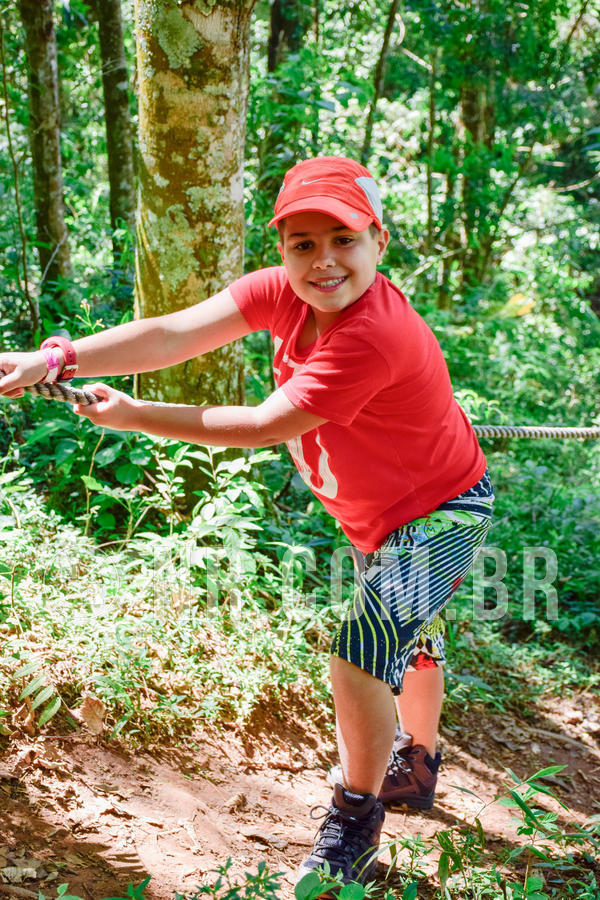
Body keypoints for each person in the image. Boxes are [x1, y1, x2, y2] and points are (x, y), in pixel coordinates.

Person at [0, 156, 493, 890]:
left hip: (442, 510)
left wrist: (135, 415)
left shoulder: (374, 335)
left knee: (361, 650)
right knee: (413, 638)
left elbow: (264, 423)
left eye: (344, 239)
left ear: (379, 242)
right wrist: (57, 357)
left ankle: (355, 818)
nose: (323, 260)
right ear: (283, 249)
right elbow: (171, 335)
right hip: (377, 516)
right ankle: (415, 766)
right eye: (302, 243)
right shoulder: (283, 294)